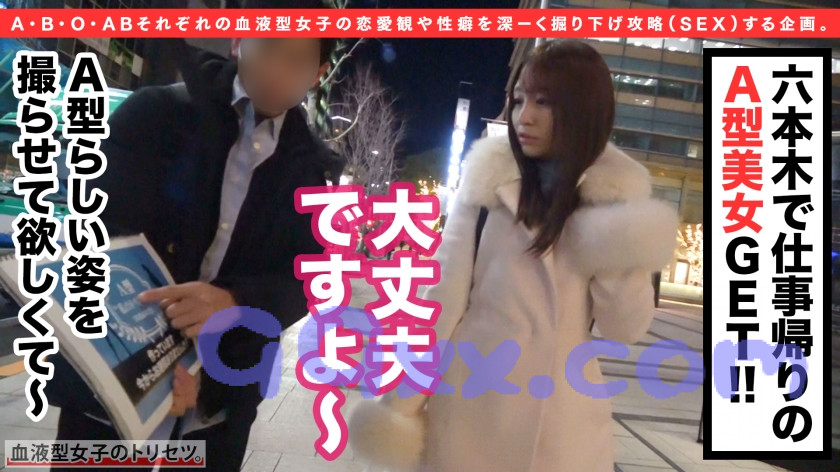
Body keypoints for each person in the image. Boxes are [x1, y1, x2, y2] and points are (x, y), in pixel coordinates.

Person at [348, 40, 679, 471]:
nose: (525, 116)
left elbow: (625, 327)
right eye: (519, 99)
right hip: (471, 418)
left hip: (563, 434)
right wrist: (400, 407)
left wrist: (614, 228)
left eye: (544, 102)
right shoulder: (487, 189)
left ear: (584, 110)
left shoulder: (611, 206)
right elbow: (439, 307)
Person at [44, 1, 344, 470]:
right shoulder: (156, 116)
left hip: (217, 408)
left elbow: (305, 279)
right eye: (269, 47)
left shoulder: (311, 173)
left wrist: (233, 302)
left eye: (297, 60)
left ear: (318, 74)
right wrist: (156, 369)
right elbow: (97, 238)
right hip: (111, 393)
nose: (277, 71)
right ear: (239, 40)